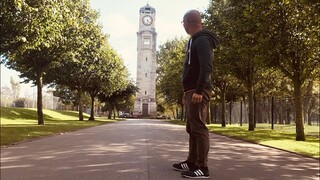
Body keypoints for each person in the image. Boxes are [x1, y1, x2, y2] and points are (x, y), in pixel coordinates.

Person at [172, 10, 219, 179]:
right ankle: (192, 162)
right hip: (191, 91)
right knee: (192, 128)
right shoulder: (194, 41)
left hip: (199, 91)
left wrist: (199, 90)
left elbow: (207, 67)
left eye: (183, 22)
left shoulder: (202, 41)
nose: (183, 26)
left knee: (199, 128)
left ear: (188, 22)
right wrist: (187, 93)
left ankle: (202, 167)